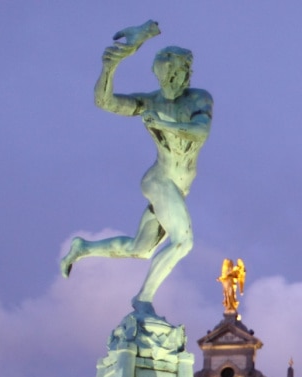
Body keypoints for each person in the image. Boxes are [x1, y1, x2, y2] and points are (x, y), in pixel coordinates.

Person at [61, 28, 212, 314]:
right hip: (159, 180)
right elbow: (104, 102)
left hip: (178, 187)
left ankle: (83, 248)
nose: (175, 81)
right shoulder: (150, 100)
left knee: (140, 249)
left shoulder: (199, 98)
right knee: (183, 242)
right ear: (160, 76)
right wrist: (110, 65)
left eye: (179, 74)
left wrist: (162, 123)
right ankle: (143, 300)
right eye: (168, 76)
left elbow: (200, 131)